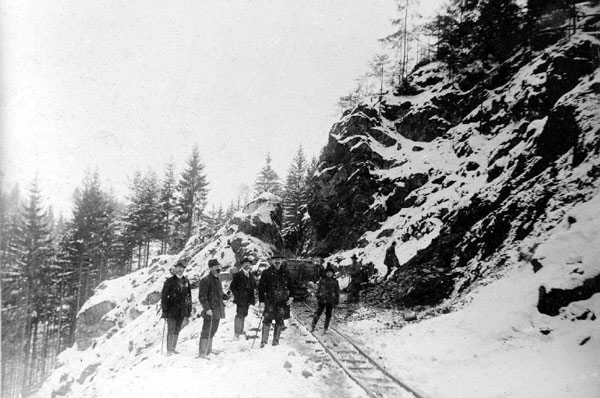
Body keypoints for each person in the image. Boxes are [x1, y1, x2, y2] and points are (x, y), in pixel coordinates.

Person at [258, 254, 293, 347]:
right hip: (270, 301)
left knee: (280, 320)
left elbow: (291, 286)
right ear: (272, 261)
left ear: (282, 261)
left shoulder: (286, 273)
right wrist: (261, 301)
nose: (277, 261)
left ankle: (276, 340)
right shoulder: (266, 273)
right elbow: (261, 288)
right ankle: (264, 341)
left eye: (279, 259)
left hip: (282, 302)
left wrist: (292, 297)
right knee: (267, 320)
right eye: (275, 260)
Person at [160, 261, 192, 355]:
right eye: (178, 267)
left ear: (184, 269)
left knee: (177, 329)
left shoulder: (186, 281)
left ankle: (173, 349)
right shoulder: (169, 281)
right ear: (175, 269)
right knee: (171, 329)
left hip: (182, 310)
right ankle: (169, 350)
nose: (179, 269)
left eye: (181, 268)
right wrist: (164, 311)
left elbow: (188, 296)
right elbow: (164, 297)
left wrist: (188, 310)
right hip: (171, 310)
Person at [198, 258, 226, 357]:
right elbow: (202, 297)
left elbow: (219, 293)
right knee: (206, 331)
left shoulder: (217, 279)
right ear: (210, 268)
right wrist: (207, 309)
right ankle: (202, 352)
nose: (217, 267)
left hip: (217, 310)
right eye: (215, 266)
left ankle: (208, 350)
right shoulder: (205, 280)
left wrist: (225, 296)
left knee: (213, 330)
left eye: (218, 266)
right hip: (210, 310)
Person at [230, 257, 256, 339]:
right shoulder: (237, 275)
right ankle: (236, 333)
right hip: (240, 299)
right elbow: (232, 287)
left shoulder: (251, 275)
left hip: (248, 300)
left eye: (248, 263)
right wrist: (238, 295)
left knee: (244, 315)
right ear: (242, 265)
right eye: (245, 263)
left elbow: (254, 286)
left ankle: (241, 331)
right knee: (239, 315)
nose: (247, 265)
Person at [311, 263, 340, 333]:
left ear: (333, 273)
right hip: (322, 299)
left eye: (330, 272)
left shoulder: (335, 282)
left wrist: (337, 300)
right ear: (326, 273)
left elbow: (337, 291)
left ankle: (325, 328)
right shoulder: (322, 281)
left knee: (328, 314)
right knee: (318, 313)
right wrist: (318, 296)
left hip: (331, 300)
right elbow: (318, 289)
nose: (329, 274)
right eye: (328, 272)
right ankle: (313, 325)